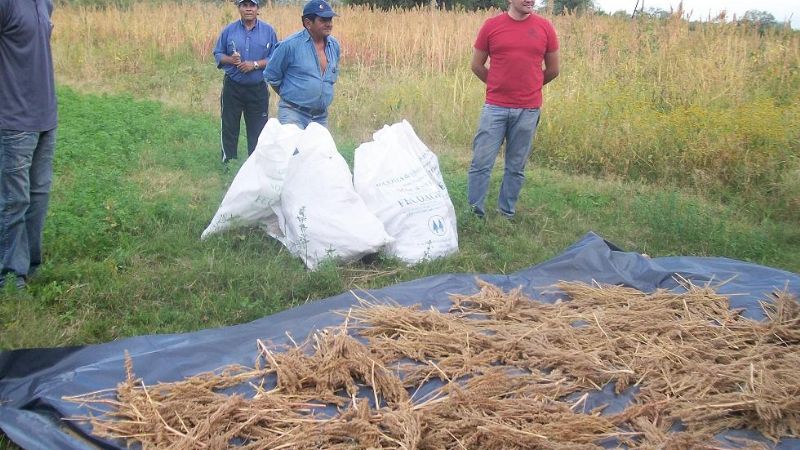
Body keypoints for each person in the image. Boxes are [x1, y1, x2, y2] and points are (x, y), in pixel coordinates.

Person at [467, 0, 559, 219]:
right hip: (495, 108)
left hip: (528, 110)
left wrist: (530, 87)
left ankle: (506, 213)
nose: (530, 0)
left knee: (516, 167)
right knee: (481, 163)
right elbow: (476, 65)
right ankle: (474, 214)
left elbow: (554, 69)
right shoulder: (491, 26)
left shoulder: (545, 27)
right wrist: (497, 85)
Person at [0, 0, 58, 290]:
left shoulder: (44, 3)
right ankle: (11, 274)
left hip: (46, 115)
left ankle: (31, 265)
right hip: (12, 119)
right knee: (14, 201)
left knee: (38, 196)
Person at [213, 0, 278, 163]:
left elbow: (275, 57)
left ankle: (255, 166)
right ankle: (229, 163)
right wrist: (231, 59)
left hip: (257, 89)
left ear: (257, 9)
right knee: (229, 127)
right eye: (244, 5)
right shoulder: (229, 30)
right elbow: (218, 53)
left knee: (258, 129)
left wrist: (254, 65)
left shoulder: (269, 31)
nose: (248, 8)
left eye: (252, 5)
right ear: (239, 8)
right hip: (233, 87)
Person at [264, 0, 340, 129]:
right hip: (293, 114)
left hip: (320, 117)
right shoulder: (289, 45)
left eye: (330, 19)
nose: (329, 24)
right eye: (323, 20)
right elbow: (272, 76)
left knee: (320, 150)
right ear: (308, 23)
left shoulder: (334, 45)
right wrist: (291, 96)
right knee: (294, 149)